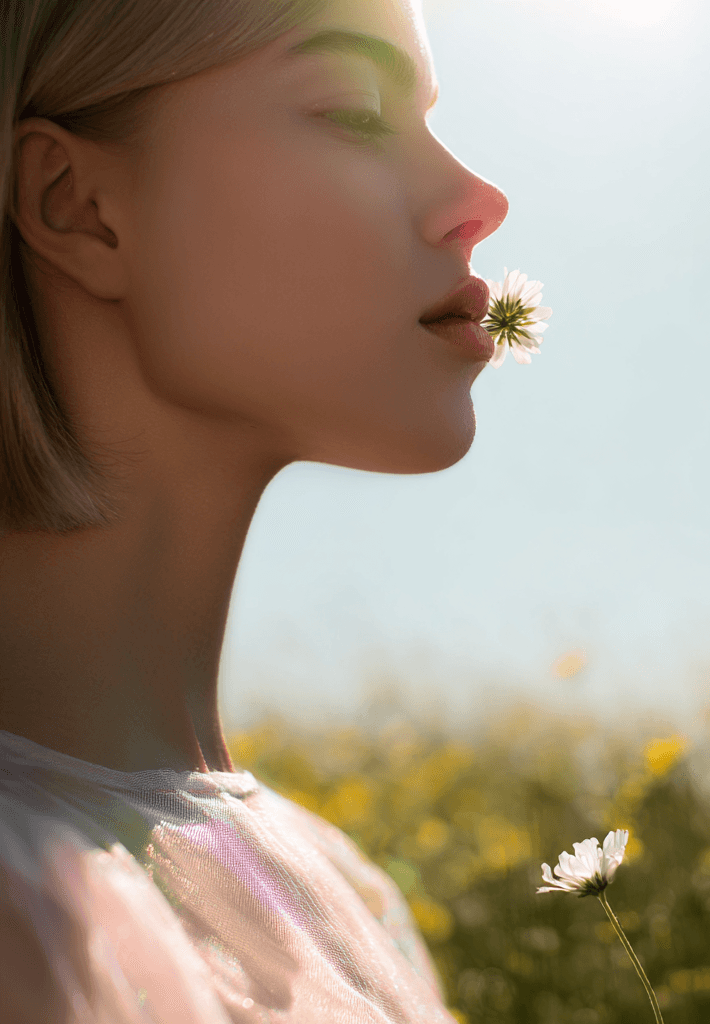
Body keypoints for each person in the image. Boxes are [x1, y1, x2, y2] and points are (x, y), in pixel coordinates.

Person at [0, 0, 508, 1018]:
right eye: (357, 109)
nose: (475, 198)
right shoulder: (25, 914)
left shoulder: (342, 887)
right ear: (78, 206)